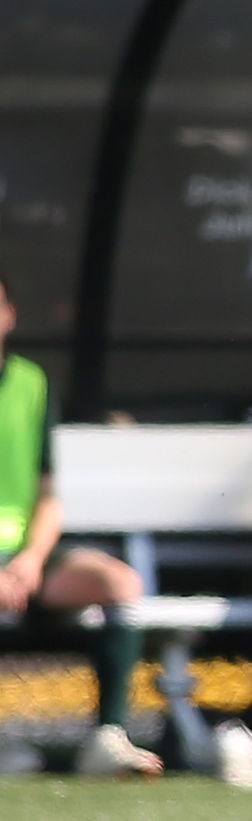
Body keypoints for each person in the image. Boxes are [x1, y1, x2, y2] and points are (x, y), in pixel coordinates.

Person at [0, 272, 154, 776]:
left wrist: (29, 559)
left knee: (120, 581)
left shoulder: (31, 381)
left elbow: (48, 497)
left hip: (25, 559)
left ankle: (108, 737)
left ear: (10, 314)